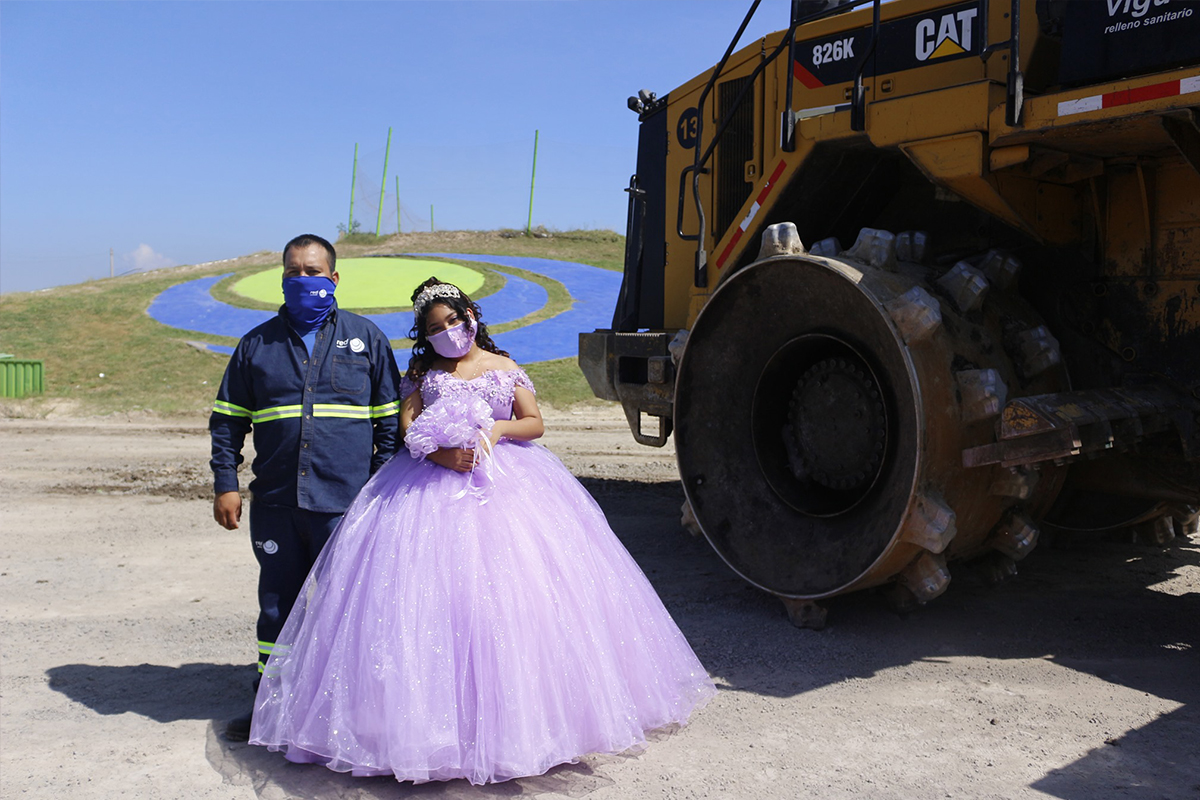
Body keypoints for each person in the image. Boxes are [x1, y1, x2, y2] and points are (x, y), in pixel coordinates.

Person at [249, 277, 715, 784]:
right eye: (435, 328)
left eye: (454, 320)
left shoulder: (503, 366)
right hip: (428, 488)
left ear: (472, 315)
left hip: (508, 485)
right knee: (421, 602)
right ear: (423, 336)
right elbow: (408, 428)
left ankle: (524, 726)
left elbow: (534, 423)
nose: (448, 332)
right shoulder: (425, 372)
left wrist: (496, 429)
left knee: (512, 600)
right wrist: (443, 452)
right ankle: (413, 728)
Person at [209, 234, 402, 741]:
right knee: (278, 607)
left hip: (348, 504)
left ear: (334, 279)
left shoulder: (367, 339)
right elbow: (227, 421)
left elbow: (390, 423)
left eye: (313, 272)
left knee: (350, 609)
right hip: (276, 503)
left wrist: (381, 486)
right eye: (293, 272)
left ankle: (353, 716)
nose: (303, 280)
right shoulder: (256, 345)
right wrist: (225, 484)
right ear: (282, 278)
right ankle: (271, 711)